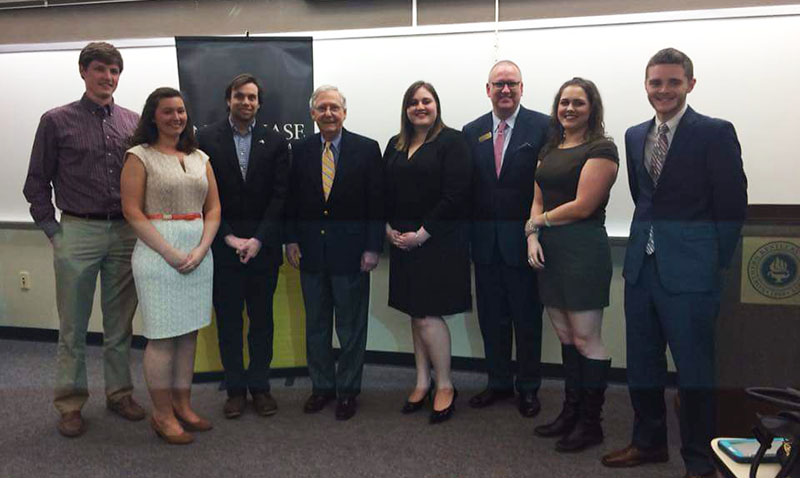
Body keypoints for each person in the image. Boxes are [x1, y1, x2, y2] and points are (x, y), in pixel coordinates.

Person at [600, 48, 747, 478]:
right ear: (646, 86)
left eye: (673, 82)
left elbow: (732, 206)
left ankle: (700, 461)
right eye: (655, 83)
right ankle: (648, 444)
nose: (663, 90)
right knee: (642, 365)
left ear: (690, 85)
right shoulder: (632, 135)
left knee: (694, 371)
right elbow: (646, 197)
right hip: (641, 269)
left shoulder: (715, 133)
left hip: (692, 273)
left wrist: (711, 264)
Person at [22, 42, 145, 437]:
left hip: (124, 232)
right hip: (78, 230)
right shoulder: (56, 121)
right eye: (99, 69)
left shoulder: (133, 122)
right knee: (73, 327)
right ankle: (71, 404)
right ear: (83, 71)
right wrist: (54, 232)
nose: (107, 77)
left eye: (114, 71)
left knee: (120, 323)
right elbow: (36, 182)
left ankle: (120, 393)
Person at [120, 87, 221, 444]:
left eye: (181, 111)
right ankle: (161, 415)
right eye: (168, 111)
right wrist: (169, 252)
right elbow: (131, 210)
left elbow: (213, 209)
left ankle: (183, 404)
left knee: (189, 334)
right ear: (153, 116)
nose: (176, 117)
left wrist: (202, 247)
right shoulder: (139, 156)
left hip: (198, 253)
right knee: (162, 338)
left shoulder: (199, 157)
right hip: (157, 253)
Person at [526, 77, 619, 452]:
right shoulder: (551, 147)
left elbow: (583, 205)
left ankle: (591, 423)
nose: (569, 108)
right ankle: (570, 411)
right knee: (566, 336)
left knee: (586, 338)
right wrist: (532, 234)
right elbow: (537, 197)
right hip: (549, 249)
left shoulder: (603, 148)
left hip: (582, 250)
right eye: (564, 102)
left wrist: (538, 223)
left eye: (578, 103)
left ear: (591, 108)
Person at [285, 85, 383, 421]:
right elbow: (291, 201)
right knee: (316, 325)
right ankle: (322, 387)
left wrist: (373, 247)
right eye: (321, 108)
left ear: (344, 112)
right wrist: (291, 240)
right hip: (310, 252)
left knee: (351, 327)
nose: (328, 113)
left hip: (353, 254)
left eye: (334, 108)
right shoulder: (298, 150)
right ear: (312, 114)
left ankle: (348, 390)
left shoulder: (367, 149)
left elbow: (376, 204)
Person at [197, 74, 290, 419]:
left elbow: (281, 195)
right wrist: (229, 236)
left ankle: (261, 387)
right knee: (229, 322)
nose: (246, 102)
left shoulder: (276, 142)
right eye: (240, 96)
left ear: (259, 104)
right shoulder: (205, 139)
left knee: (263, 321)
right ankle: (235, 389)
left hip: (263, 249)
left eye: (252, 98)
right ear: (229, 99)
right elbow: (204, 194)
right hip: (224, 247)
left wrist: (259, 239)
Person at [462, 60, 549, 417]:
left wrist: (537, 231)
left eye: (512, 83)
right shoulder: (472, 130)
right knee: (492, 319)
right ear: (487, 90)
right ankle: (497, 383)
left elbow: (548, 186)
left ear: (522, 87)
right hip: (484, 245)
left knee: (527, 320)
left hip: (525, 242)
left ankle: (527, 388)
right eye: (498, 84)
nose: (505, 90)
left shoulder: (543, 126)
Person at [384, 80, 472, 424]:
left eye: (426, 101)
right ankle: (422, 381)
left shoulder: (453, 142)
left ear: (436, 105)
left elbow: (456, 194)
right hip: (403, 240)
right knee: (414, 313)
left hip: (438, 241)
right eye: (413, 102)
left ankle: (446, 384)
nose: (420, 107)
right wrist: (387, 227)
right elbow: (384, 190)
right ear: (406, 109)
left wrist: (423, 234)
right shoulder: (395, 144)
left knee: (428, 315)